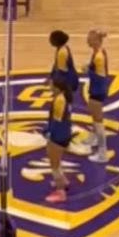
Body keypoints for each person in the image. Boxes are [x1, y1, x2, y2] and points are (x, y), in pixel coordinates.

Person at [43, 76, 74, 204]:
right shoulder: (63, 97)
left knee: (54, 164)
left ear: (57, 87)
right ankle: (63, 181)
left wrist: (48, 132)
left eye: (51, 85)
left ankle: (60, 192)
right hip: (64, 133)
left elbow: (57, 121)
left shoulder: (59, 100)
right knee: (56, 161)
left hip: (59, 135)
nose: (49, 87)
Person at [84, 29, 110, 164]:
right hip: (97, 87)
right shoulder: (98, 52)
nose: (87, 41)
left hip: (98, 89)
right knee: (93, 114)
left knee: (98, 121)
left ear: (96, 41)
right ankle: (93, 138)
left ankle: (102, 153)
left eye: (89, 39)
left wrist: (87, 71)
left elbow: (99, 76)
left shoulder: (99, 57)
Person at [48, 29, 80, 99]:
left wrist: (53, 83)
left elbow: (62, 72)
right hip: (69, 77)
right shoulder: (63, 47)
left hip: (68, 80)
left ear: (56, 40)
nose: (49, 40)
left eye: (51, 38)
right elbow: (56, 65)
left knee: (64, 100)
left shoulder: (62, 52)